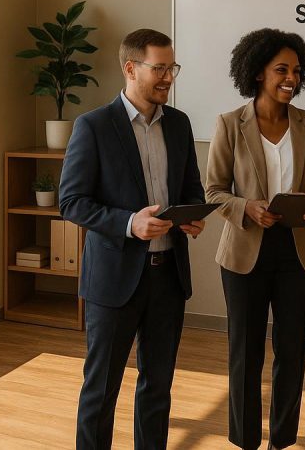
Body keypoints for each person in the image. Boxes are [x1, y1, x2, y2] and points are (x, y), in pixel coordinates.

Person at [59, 28, 207, 450]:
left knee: (158, 389)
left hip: (168, 278)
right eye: (159, 68)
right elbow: (71, 202)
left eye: (171, 68)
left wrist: (191, 216)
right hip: (114, 282)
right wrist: (129, 224)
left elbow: (191, 189)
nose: (168, 77)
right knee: (100, 392)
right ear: (130, 68)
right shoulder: (94, 126)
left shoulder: (179, 125)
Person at [206, 28, 305, 450]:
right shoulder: (230, 124)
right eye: (282, 70)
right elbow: (213, 192)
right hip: (246, 250)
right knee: (245, 352)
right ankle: (244, 440)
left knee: (292, 350)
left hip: (299, 250)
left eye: (297, 71)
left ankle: (283, 439)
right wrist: (247, 208)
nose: (291, 79)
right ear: (258, 72)